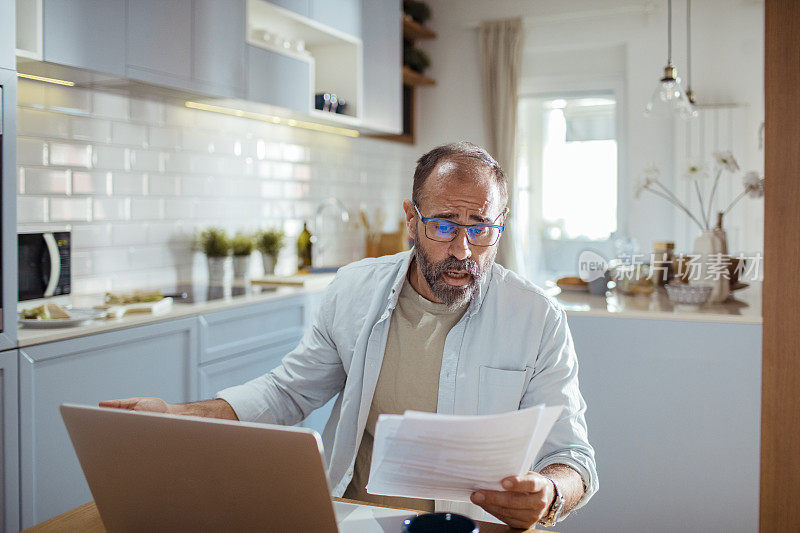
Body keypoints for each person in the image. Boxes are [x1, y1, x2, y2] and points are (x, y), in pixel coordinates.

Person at [101, 141, 597, 529]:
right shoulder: (354, 289)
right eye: (444, 226)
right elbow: (288, 391)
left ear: (500, 225)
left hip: (471, 527)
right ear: (411, 220)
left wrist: (549, 495)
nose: (464, 250)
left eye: (480, 227)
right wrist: (178, 415)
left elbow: (573, 458)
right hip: (355, 517)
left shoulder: (538, 318)